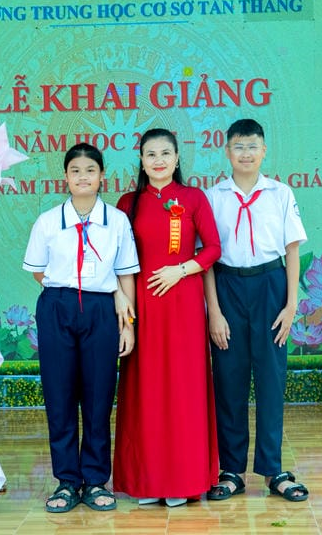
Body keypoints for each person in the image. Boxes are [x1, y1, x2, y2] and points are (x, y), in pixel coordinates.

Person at [22, 143, 139, 513]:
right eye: (75, 170)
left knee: (98, 397)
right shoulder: (47, 222)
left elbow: (126, 273)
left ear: (102, 175)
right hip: (57, 306)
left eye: (90, 170)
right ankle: (67, 482)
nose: (83, 177)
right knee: (59, 397)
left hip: (102, 309)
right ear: (66, 177)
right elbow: (39, 271)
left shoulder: (116, 221)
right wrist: (67, 291)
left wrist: (128, 323)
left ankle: (96, 480)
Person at [112, 128, 221, 507]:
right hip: (141, 307)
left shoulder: (193, 198)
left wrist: (182, 269)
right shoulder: (128, 203)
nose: (158, 160)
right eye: (150, 154)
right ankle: (146, 481)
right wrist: (124, 311)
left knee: (182, 390)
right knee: (145, 391)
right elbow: (117, 257)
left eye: (165, 153)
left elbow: (213, 248)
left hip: (184, 305)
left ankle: (183, 481)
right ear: (141, 161)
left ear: (176, 159)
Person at [203, 118, 309, 503]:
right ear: (226, 152)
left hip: (270, 286)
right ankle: (231, 470)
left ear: (264, 151)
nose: (245, 154)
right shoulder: (212, 197)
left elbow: (292, 250)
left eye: (252, 147)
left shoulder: (280, 193)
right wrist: (214, 311)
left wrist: (291, 305)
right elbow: (207, 259)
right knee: (228, 380)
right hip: (227, 286)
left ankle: (272, 469)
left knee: (270, 380)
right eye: (238, 146)